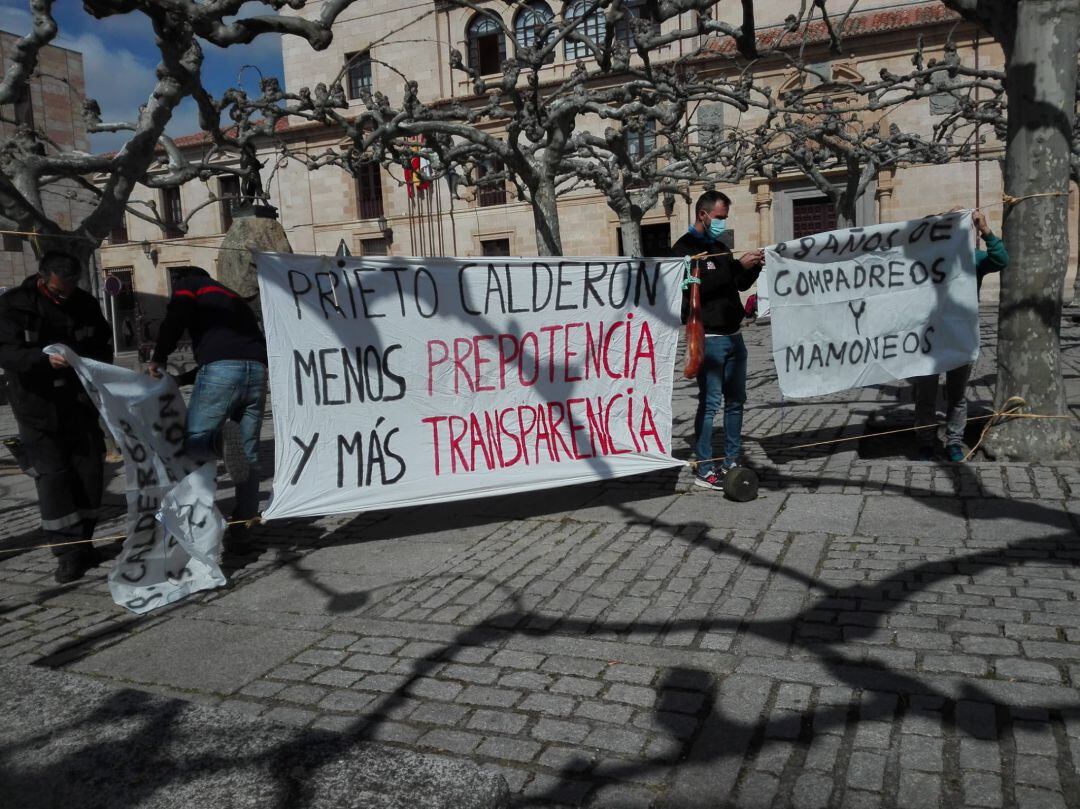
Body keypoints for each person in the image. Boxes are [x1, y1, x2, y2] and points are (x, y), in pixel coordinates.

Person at [0, 252, 113, 582]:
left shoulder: (85, 303)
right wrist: (41, 359)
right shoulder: (14, 305)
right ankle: (67, 553)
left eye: (71, 287)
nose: (65, 295)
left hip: (79, 402)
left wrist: (93, 364)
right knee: (54, 478)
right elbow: (5, 351)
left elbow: (101, 344)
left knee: (90, 471)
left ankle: (86, 542)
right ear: (42, 277)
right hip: (36, 406)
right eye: (57, 290)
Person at [147, 266, 267, 552]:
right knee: (247, 454)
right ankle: (244, 527)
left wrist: (159, 358)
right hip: (257, 372)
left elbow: (175, 320)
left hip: (222, 371)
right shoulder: (231, 297)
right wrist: (183, 379)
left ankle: (219, 444)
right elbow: (230, 353)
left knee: (194, 445)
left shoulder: (190, 285)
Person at [671, 190, 765, 490]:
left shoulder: (720, 247)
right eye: (720, 217)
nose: (723, 223)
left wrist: (752, 267)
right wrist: (737, 267)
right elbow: (698, 288)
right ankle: (704, 465)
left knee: (736, 401)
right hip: (709, 339)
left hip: (734, 336)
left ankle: (732, 459)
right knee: (710, 404)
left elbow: (734, 284)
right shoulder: (683, 250)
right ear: (703, 214)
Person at [913, 209, 1009, 462]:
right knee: (925, 396)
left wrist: (986, 230)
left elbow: (1000, 260)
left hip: (960, 338)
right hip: (927, 340)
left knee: (957, 396)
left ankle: (955, 442)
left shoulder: (972, 259)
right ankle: (925, 442)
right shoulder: (921, 260)